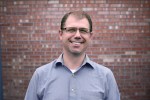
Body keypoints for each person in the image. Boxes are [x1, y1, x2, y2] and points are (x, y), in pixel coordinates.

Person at [24, 11, 120, 100]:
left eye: (83, 30)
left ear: (90, 36)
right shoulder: (40, 75)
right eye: (71, 30)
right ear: (61, 34)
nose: (77, 35)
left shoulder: (106, 76)